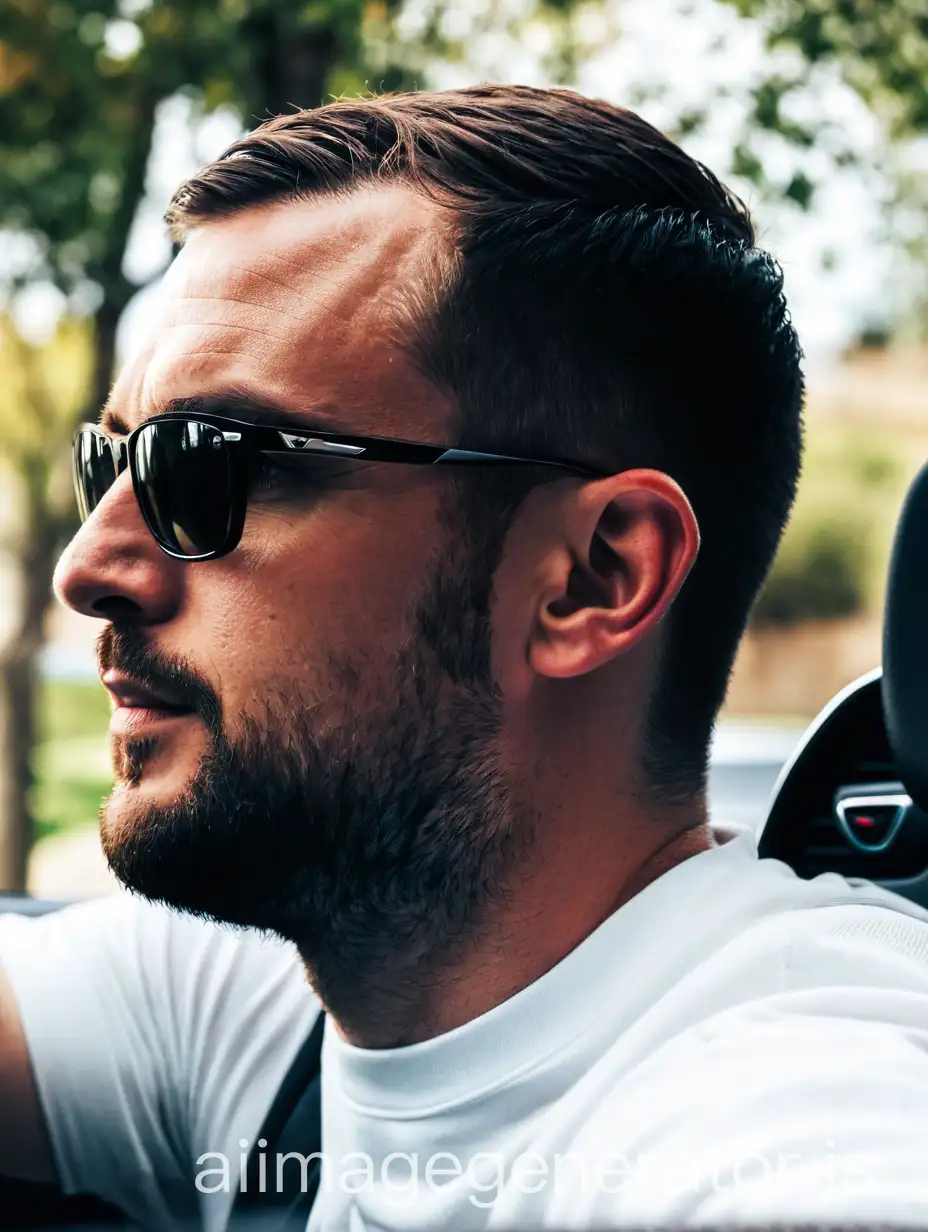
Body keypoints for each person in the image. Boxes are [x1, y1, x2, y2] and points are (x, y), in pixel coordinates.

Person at [1, 84, 927, 1232]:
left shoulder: (791, 1115)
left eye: (218, 465)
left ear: (594, 577)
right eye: (114, 464)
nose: (89, 565)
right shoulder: (282, 1002)